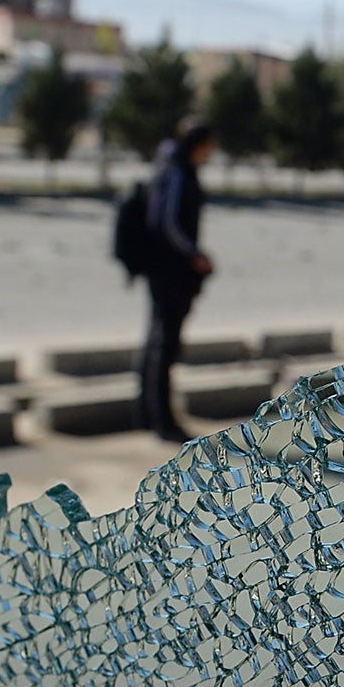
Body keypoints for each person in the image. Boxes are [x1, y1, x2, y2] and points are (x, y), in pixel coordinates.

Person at [136, 118, 216, 443]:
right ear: (198, 145)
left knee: (156, 340)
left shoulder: (171, 168)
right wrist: (194, 254)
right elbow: (169, 225)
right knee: (164, 345)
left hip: (163, 271)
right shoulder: (180, 173)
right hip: (170, 273)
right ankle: (162, 421)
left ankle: (146, 413)